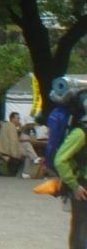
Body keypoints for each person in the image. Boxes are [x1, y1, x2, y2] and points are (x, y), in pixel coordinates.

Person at [53, 97, 87, 249]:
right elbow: (60, 160)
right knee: (81, 228)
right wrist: (74, 185)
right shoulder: (81, 133)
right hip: (83, 186)